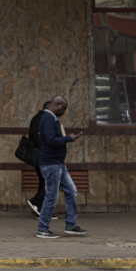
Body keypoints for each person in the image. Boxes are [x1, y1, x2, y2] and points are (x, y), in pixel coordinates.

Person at [36, 95, 88, 239]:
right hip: (51, 164)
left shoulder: (53, 119)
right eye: (64, 109)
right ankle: (42, 228)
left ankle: (70, 224)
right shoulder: (47, 118)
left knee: (71, 190)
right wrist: (68, 138)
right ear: (58, 105)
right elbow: (51, 140)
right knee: (51, 197)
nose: (64, 112)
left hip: (58, 163)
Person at [26, 101, 55, 220]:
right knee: (49, 181)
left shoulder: (37, 118)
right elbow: (41, 139)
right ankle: (36, 202)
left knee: (44, 181)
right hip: (42, 156)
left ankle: (41, 209)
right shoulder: (42, 119)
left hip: (39, 155)